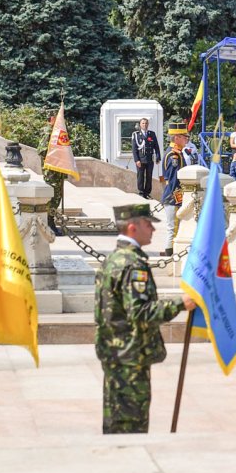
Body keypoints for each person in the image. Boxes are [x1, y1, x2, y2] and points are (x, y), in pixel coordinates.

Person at [95, 203, 196, 433]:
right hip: (129, 356)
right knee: (130, 427)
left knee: (117, 423)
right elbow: (140, 312)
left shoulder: (114, 260)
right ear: (132, 227)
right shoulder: (132, 265)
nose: (152, 229)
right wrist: (180, 303)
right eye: (148, 224)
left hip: (116, 353)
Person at [158, 121, 188, 256]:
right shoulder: (173, 155)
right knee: (173, 227)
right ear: (176, 138)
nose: (186, 139)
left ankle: (171, 251)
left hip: (175, 196)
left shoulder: (178, 153)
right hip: (173, 196)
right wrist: (180, 196)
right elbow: (173, 179)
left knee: (176, 227)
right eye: (184, 136)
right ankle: (170, 253)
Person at [131, 118, 159, 199]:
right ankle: (141, 192)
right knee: (140, 176)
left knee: (149, 176)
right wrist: (137, 160)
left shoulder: (152, 134)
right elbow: (134, 149)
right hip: (141, 159)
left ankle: (147, 193)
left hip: (150, 159)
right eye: (143, 123)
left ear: (148, 124)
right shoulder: (136, 135)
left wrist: (158, 157)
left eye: (146, 123)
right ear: (140, 124)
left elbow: (156, 146)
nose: (145, 125)